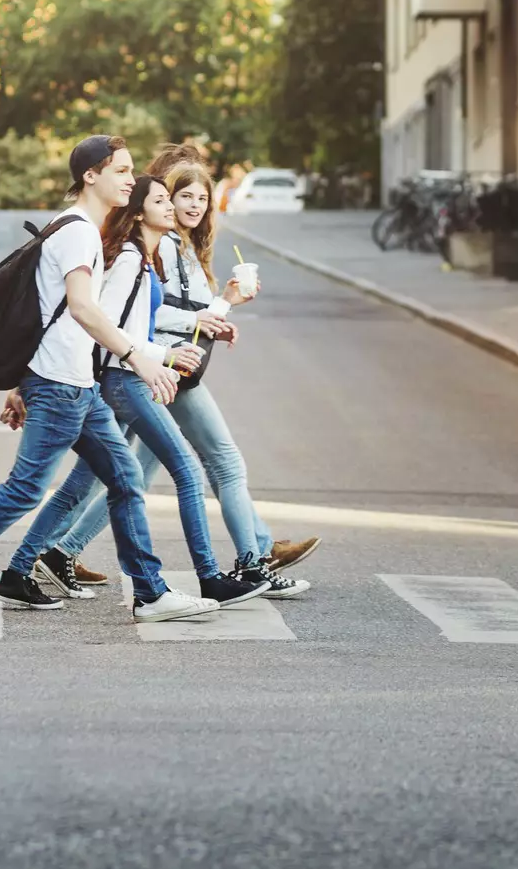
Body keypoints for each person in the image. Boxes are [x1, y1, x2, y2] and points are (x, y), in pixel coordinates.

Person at [0, 135, 219, 628]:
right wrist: (141, 357)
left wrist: (19, 383)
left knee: (125, 478)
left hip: (79, 386)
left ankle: (151, 593)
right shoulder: (77, 233)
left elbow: (49, 315)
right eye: (122, 170)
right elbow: (82, 307)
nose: (131, 180)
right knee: (24, 490)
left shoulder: (77, 229)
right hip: (60, 387)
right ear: (91, 175)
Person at [26, 147, 320, 600]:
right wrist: (181, 338)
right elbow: (129, 314)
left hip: (156, 370)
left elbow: (174, 311)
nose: (191, 205)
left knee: (121, 474)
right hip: (148, 371)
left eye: (201, 197)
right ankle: (243, 564)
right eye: (177, 197)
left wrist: (220, 308)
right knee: (205, 463)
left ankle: (53, 555)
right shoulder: (146, 249)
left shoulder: (175, 245)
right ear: (148, 206)